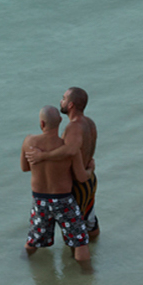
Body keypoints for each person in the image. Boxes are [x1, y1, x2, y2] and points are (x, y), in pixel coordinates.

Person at [20, 105, 94, 264]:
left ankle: (22, 263)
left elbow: (24, 167)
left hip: (39, 200)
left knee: (34, 239)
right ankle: (87, 276)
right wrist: (90, 169)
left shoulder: (28, 142)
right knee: (80, 241)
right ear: (60, 121)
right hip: (63, 200)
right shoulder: (68, 149)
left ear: (41, 123)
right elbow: (81, 178)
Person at [60, 87, 98, 236]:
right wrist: (89, 171)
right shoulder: (90, 123)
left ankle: (78, 259)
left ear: (70, 105)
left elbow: (68, 154)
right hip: (91, 181)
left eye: (63, 98)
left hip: (78, 185)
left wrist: (42, 156)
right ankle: (96, 254)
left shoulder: (73, 127)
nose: (61, 101)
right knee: (90, 222)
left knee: (73, 233)